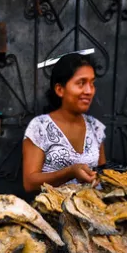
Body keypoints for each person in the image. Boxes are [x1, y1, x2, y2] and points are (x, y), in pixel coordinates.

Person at [22, 52, 106, 193]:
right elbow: (29, 183)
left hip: (92, 210)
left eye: (92, 83)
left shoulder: (95, 127)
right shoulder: (40, 127)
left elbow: (104, 174)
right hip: (52, 211)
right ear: (60, 89)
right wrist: (70, 172)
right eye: (81, 83)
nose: (89, 91)